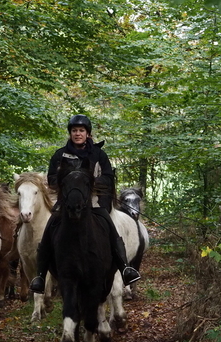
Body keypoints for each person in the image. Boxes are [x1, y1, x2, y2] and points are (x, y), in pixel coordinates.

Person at [28, 114, 141, 294]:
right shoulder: (59, 155)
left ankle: (125, 268)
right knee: (50, 227)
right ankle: (40, 276)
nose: (78, 134)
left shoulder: (99, 154)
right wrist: (71, 183)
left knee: (110, 226)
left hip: (94, 200)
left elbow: (108, 178)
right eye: (74, 131)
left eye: (81, 130)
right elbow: (51, 179)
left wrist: (89, 182)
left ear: (88, 133)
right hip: (66, 201)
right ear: (70, 133)